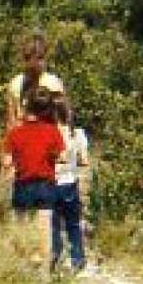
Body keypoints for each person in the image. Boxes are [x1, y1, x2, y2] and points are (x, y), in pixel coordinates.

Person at [3, 88, 65, 265]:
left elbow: (7, 162)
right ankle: (44, 269)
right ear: (46, 110)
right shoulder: (52, 132)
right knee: (44, 229)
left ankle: (17, 264)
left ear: (27, 106)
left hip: (23, 183)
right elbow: (61, 157)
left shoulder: (15, 133)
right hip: (45, 184)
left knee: (20, 226)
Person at [50, 108, 91, 271]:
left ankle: (55, 258)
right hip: (70, 184)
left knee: (53, 225)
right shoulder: (78, 134)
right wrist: (74, 164)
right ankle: (78, 259)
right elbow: (85, 161)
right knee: (73, 224)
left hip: (51, 184)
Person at [5, 29, 65, 132]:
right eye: (29, 58)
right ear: (24, 59)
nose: (35, 63)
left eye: (40, 58)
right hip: (24, 141)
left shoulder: (54, 82)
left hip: (49, 140)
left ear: (45, 58)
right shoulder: (15, 84)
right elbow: (11, 120)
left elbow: (62, 116)